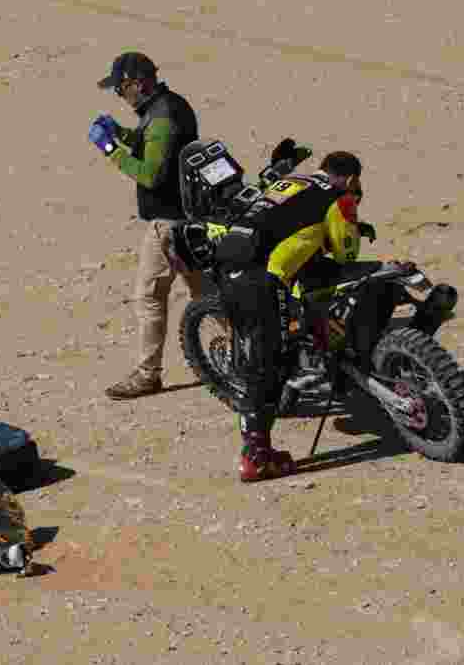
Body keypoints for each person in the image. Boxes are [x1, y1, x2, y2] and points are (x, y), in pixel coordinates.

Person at [203, 150, 376, 482]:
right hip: (259, 274)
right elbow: (346, 252)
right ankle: (256, 458)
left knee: (261, 349)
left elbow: (281, 216)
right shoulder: (339, 196)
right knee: (269, 365)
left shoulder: (291, 180)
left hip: (228, 260)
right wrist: (347, 226)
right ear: (352, 179)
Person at [89, 51, 203, 400]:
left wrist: (111, 149)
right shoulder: (170, 106)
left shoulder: (161, 118)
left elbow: (151, 174)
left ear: (137, 84)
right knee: (206, 296)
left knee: (150, 298)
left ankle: (147, 373)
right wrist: (123, 133)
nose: (120, 97)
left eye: (121, 90)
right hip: (193, 219)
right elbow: (156, 145)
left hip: (168, 224)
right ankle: (239, 358)